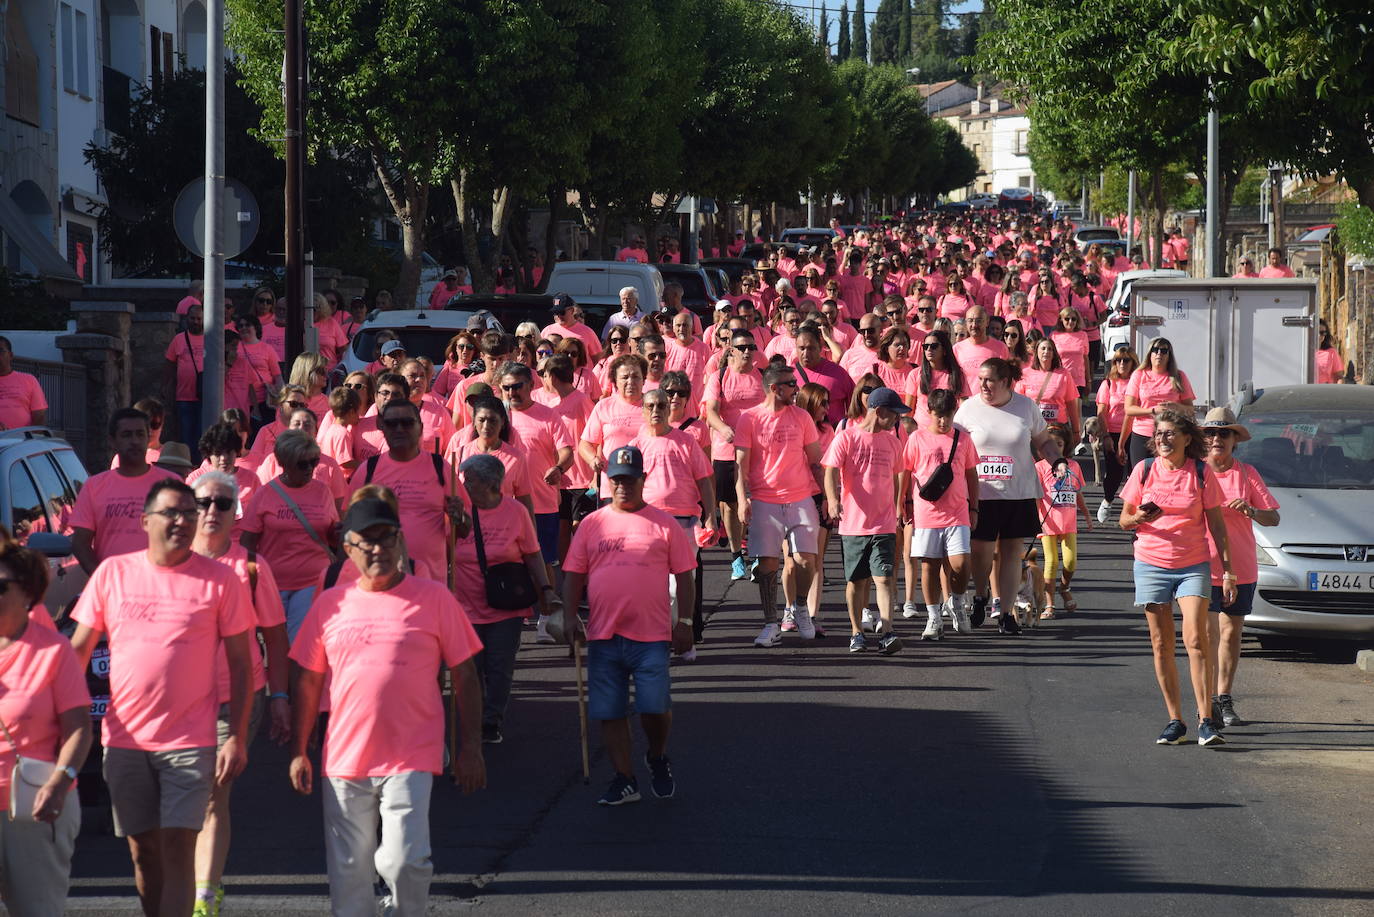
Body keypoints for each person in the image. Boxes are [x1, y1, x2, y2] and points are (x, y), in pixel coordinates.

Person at [288, 498, 486, 916]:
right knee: (349, 874)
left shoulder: (434, 598)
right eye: (367, 541)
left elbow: (466, 674)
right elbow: (307, 679)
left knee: (404, 861)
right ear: (348, 547)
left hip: (411, 754)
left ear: (400, 542)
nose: (377, 548)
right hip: (344, 757)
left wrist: (472, 748)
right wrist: (299, 748)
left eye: (386, 537)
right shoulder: (330, 604)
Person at [70, 480, 254, 917]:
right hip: (126, 740)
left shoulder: (221, 580)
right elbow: (74, 656)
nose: (183, 521)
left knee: (177, 844)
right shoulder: (112, 574)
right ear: (145, 521)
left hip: (192, 740)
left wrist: (237, 737)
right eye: (172, 513)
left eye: (190, 514)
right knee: (144, 853)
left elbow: (243, 665)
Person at [561, 446, 696, 805]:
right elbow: (573, 574)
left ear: (643, 479)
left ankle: (656, 755)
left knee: (654, 707)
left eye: (629, 479)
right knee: (610, 710)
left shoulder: (664, 523)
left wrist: (684, 622)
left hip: (651, 634)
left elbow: (685, 577)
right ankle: (625, 778)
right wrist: (570, 615)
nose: (622, 486)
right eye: (616, 480)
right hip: (603, 634)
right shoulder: (592, 523)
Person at [190, 472, 291, 916]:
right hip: (174, 703)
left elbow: (276, 635)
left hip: (235, 698)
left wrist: (281, 697)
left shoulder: (250, 567)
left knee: (212, 796)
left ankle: (204, 897)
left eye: (222, 504)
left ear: (236, 515)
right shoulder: (166, 563)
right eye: (204, 503)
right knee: (181, 798)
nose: (212, 511)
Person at [1119, 408, 1236, 747]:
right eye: (1159, 434)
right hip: (1150, 563)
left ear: (1187, 438)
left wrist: (1228, 570)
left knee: (1197, 639)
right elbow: (1124, 520)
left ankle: (1205, 720)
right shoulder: (1144, 470)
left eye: (1171, 433)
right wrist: (1139, 516)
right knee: (1161, 644)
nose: (1163, 439)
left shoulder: (1200, 473)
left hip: (1192, 564)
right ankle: (1175, 720)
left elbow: (1217, 525)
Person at [0, 529, 91, 914]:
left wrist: (60, 782)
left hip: (31, 805)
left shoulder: (52, 651)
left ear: (27, 591)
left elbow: (79, 728)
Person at [955, 358, 1066, 634]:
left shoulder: (1025, 407)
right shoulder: (968, 409)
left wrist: (1057, 461)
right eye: (980, 379)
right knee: (981, 552)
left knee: (1011, 554)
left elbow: (1043, 441)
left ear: (1006, 382)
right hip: (982, 492)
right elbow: (953, 447)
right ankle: (981, 595)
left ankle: (1006, 613)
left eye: (989, 379)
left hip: (1018, 492)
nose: (983, 385)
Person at [454, 455, 556, 744]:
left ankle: (491, 720)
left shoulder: (516, 512)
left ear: (488, 483)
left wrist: (546, 589)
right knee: (469, 671)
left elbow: (533, 554)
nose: (463, 484)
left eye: (469, 479)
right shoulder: (459, 511)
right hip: (464, 607)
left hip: (505, 606)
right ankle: (472, 719)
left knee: (500, 669)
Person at [1198, 407, 1279, 730]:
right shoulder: (1194, 471)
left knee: (1231, 634)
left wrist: (1250, 510)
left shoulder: (1246, 474)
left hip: (1241, 566)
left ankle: (1224, 698)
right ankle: (1206, 705)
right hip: (1200, 564)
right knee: (1207, 635)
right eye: (1211, 433)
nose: (1217, 438)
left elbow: (1273, 517)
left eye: (1224, 433)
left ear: (1234, 440)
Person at [736, 364, 823, 647]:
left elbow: (815, 461)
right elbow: (740, 465)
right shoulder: (749, 419)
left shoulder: (802, 417)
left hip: (800, 497)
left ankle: (799, 607)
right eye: (790, 384)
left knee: (806, 559)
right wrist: (742, 499)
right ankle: (770, 623)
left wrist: (827, 498)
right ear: (775, 388)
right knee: (767, 564)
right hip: (764, 499)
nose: (796, 388)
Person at [628, 389, 715, 651]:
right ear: (643, 410)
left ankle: (681, 633)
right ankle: (661, 637)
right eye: (651, 406)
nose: (656, 410)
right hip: (648, 523)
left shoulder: (686, 442)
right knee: (653, 585)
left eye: (661, 406)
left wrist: (711, 517)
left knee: (680, 585)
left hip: (685, 522)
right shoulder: (635, 446)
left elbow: (704, 481)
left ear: (669, 409)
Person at [823, 387, 907, 655]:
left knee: (883, 578)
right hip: (853, 524)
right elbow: (830, 471)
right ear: (879, 411)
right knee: (857, 582)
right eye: (894, 415)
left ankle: (886, 631)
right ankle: (856, 632)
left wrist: (898, 505)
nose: (897, 421)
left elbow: (896, 476)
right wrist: (833, 500)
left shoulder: (893, 442)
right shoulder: (846, 438)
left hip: (883, 523)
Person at [241, 430, 340, 641]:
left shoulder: (323, 491)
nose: (309, 469)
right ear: (285, 463)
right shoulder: (265, 494)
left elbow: (331, 536)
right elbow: (247, 543)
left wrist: (338, 533)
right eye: (302, 464)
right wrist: (250, 585)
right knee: (276, 645)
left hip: (312, 581)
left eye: (313, 462)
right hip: (272, 584)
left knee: (299, 644)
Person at [358, 399, 469, 581]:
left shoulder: (439, 467)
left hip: (430, 583)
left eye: (407, 422)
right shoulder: (367, 470)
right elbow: (350, 529)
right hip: (381, 583)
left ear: (420, 426)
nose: (400, 429)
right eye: (392, 423)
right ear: (382, 427)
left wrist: (459, 517)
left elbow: (464, 529)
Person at [900, 388, 979, 640]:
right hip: (926, 513)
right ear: (929, 413)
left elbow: (971, 474)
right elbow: (906, 471)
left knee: (962, 563)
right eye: (938, 416)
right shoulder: (917, 438)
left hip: (958, 511)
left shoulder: (963, 439)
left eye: (948, 415)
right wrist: (902, 501)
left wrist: (974, 506)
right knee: (929, 566)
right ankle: (933, 616)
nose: (943, 421)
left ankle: (956, 602)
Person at [71, 408, 181, 574]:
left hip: (162, 587)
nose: (135, 441)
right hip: (113, 591)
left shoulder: (172, 484)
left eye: (140, 434)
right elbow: (80, 543)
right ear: (112, 441)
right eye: (127, 435)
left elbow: (187, 536)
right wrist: (102, 580)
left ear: (147, 438)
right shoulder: (94, 487)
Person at [703, 331, 765, 579]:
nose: (748, 351)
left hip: (759, 450)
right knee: (730, 505)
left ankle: (758, 552)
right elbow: (711, 412)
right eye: (743, 347)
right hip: (725, 449)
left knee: (758, 502)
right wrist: (724, 428)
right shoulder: (719, 376)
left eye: (751, 346)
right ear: (732, 350)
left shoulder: (761, 375)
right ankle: (736, 555)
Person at [1035, 425, 1093, 620]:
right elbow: (1035, 495)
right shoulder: (1040, 467)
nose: (1056, 448)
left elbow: (1077, 493)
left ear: (1065, 445)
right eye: (1052, 445)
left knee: (1070, 561)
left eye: (1059, 444)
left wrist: (1085, 513)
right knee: (1051, 562)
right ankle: (1049, 604)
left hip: (1068, 523)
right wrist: (1036, 518)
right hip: (1048, 522)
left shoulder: (1073, 466)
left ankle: (1064, 587)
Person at [580, 354, 649, 500]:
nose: (630, 382)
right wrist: (593, 460)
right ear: (615, 381)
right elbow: (585, 444)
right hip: (612, 486)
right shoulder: (604, 406)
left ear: (644, 379)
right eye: (625, 377)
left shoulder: (653, 406)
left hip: (647, 487)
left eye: (636, 376)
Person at [1123, 337, 1195, 467]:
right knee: (1142, 477)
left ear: (1169, 355)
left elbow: (1190, 409)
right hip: (1143, 433)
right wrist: (1152, 410)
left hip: (1170, 435)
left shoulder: (1179, 376)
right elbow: (1129, 409)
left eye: (1163, 351)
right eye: (1155, 350)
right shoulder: (1139, 375)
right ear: (1150, 354)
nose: (1159, 354)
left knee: (1167, 476)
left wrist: (1176, 407)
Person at [1095, 346, 1139, 522]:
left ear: (1133, 363)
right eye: (1118, 360)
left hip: (1135, 432)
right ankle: (1108, 500)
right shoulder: (1108, 383)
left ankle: (1133, 509)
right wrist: (1105, 436)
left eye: (1126, 360)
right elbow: (1102, 412)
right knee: (1114, 472)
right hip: (1112, 432)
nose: (1122, 363)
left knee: (1135, 471)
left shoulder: (1137, 382)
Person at [1017, 337, 1081, 443]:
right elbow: (1018, 403)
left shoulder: (1064, 374)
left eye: (1050, 349)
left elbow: (1071, 404)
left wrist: (1076, 431)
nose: (1046, 351)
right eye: (1043, 348)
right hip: (1034, 429)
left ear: (1054, 353)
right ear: (1036, 352)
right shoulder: (1025, 373)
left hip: (1058, 429)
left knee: (1057, 459)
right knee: (1036, 460)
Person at [165, 301, 208, 458]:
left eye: (198, 318)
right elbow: (169, 365)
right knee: (185, 436)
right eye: (192, 318)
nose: (195, 321)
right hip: (183, 395)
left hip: (205, 396)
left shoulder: (210, 338)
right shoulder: (178, 339)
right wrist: (167, 388)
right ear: (186, 319)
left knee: (203, 435)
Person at [952, 305, 1010, 386]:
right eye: (970, 321)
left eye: (978, 321)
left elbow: (1007, 380)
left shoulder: (1000, 348)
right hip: (965, 398)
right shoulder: (957, 349)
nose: (974, 325)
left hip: (992, 398)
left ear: (987, 322)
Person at [0, 334, 48, 429]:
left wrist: (31, 437)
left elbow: (39, 415)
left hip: (22, 441)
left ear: (11, 355)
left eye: (0, 351)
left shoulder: (29, 380)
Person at [541, 293, 602, 358]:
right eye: (555, 312)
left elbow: (597, 358)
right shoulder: (547, 330)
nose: (558, 315)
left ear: (572, 310)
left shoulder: (587, 332)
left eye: (562, 312)